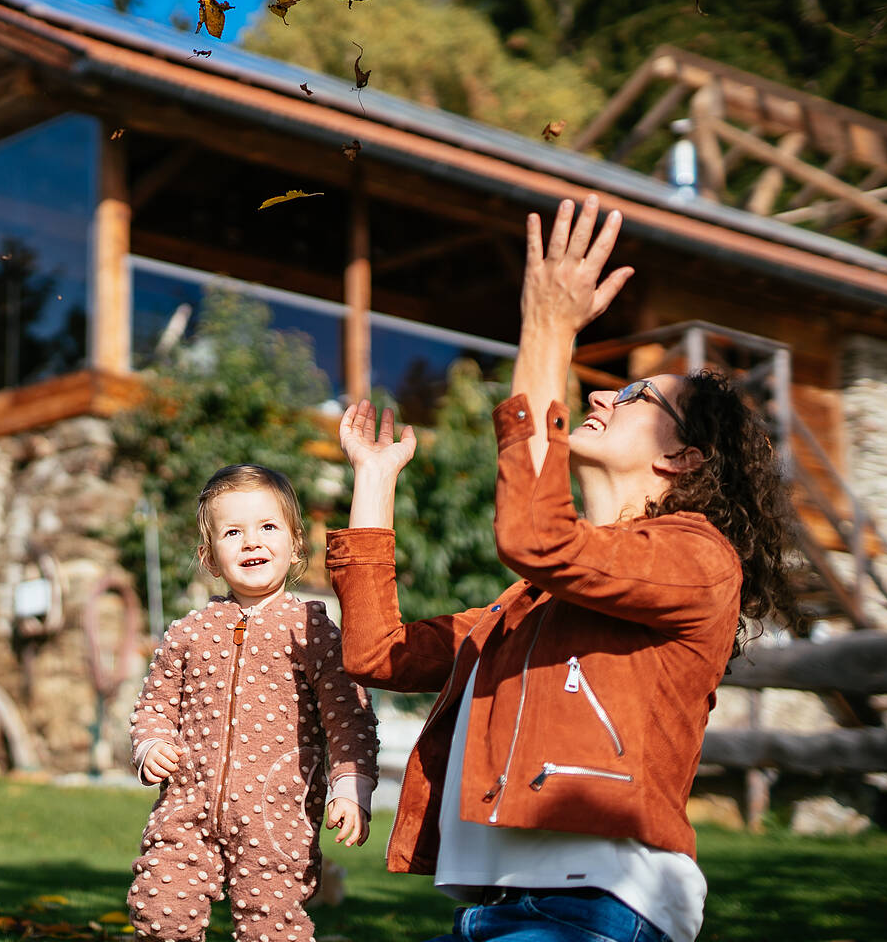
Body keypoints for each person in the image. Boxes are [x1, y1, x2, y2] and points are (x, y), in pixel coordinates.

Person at [326, 196, 796, 942]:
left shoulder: (699, 558)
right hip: (499, 907)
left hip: (598, 903)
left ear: (680, 459)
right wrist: (375, 479)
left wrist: (547, 326)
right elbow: (376, 652)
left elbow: (536, 533)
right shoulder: (532, 603)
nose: (605, 392)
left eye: (638, 395)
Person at [128, 463, 381, 942]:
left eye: (267, 527)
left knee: (272, 925)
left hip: (276, 815)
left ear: (295, 543)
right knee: (159, 911)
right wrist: (152, 743)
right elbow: (154, 703)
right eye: (233, 532)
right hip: (186, 804)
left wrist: (351, 786)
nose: (251, 542)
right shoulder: (189, 632)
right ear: (208, 555)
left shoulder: (313, 632)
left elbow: (349, 717)